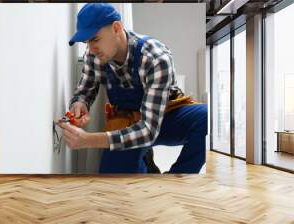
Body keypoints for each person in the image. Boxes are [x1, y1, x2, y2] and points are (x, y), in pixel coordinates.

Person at [57, 3, 207, 174]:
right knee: (114, 181)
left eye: (95, 39)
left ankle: (175, 180)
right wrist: (79, 104)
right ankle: (145, 165)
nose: (91, 48)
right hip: (126, 120)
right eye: (87, 42)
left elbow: (149, 130)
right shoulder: (94, 54)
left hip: (162, 117)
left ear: (116, 28)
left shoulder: (155, 58)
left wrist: (88, 140)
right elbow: (85, 91)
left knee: (205, 118)